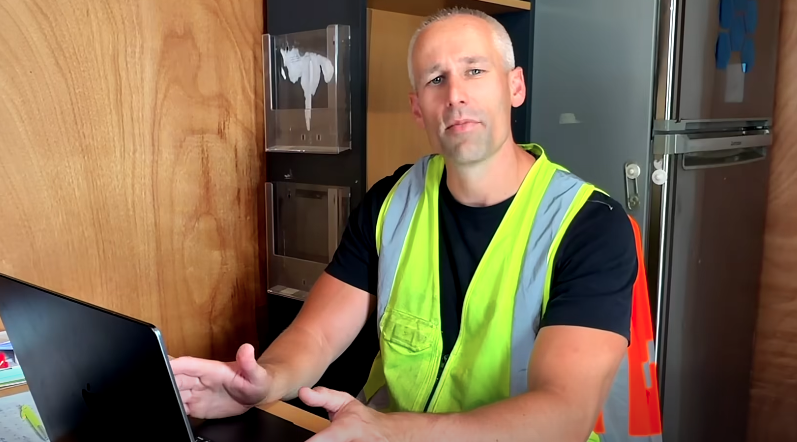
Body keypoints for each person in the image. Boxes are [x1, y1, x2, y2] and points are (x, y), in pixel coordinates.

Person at [171, 7, 661, 442]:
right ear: (416, 107)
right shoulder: (390, 201)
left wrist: (390, 431)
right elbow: (318, 336)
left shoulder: (591, 225)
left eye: (474, 70)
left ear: (515, 86)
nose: (456, 95)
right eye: (435, 79)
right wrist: (263, 382)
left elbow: (563, 416)